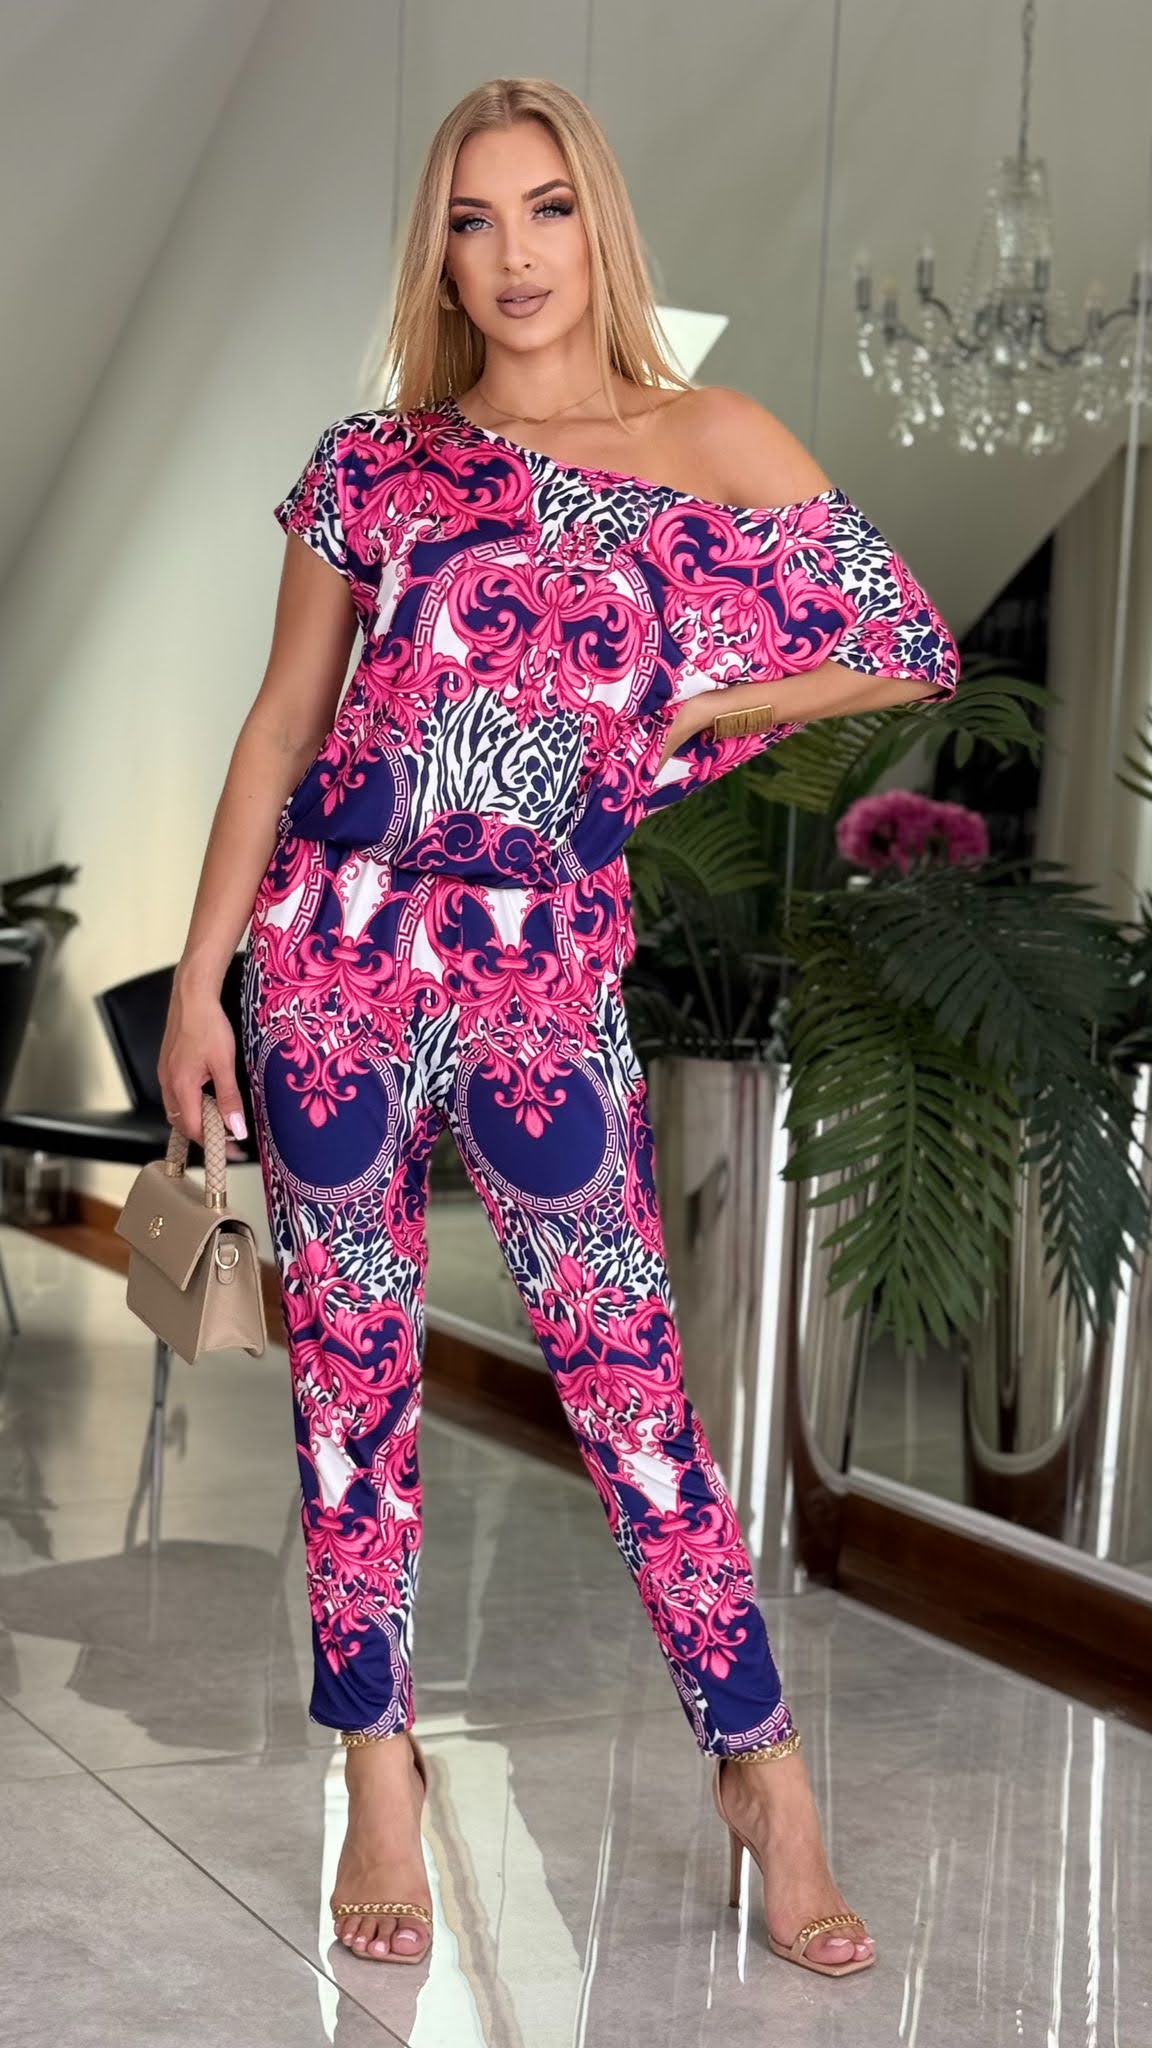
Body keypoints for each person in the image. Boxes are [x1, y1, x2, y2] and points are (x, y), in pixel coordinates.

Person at [158, 76, 959, 1978]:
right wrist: (200, 980)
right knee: (353, 1389)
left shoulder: (709, 438)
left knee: (631, 1393)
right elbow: (282, 725)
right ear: (438, 253)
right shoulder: (375, 461)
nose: (512, 256)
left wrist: (702, 712)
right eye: (471, 220)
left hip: (544, 974)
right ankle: (376, 1773)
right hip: (335, 952)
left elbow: (901, 639)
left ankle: (763, 1776)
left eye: (544, 211)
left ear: (598, 222)